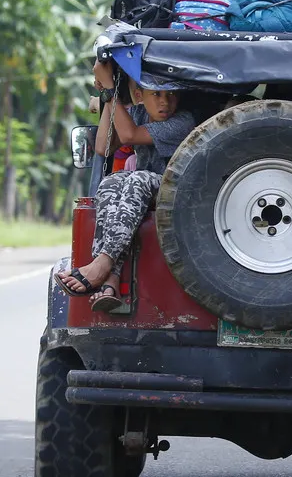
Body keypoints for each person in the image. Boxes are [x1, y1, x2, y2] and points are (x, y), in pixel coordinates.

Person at [56, 59, 196, 312]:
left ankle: (102, 264)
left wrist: (110, 90)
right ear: (140, 96)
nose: (165, 102)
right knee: (111, 181)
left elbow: (130, 135)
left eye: (171, 95)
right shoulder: (137, 114)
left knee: (137, 178)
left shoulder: (183, 121)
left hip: (176, 191)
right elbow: (103, 147)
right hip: (144, 189)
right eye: (157, 94)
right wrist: (109, 95)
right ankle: (110, 280)